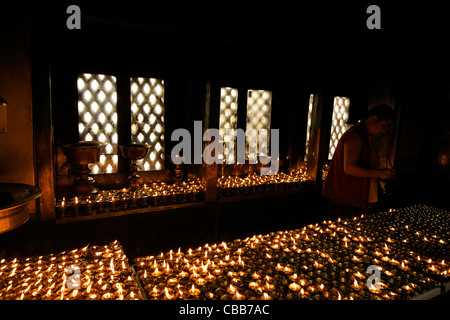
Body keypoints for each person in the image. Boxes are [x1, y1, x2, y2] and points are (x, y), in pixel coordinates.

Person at [322, 104, 396, 220]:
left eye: (388, 128)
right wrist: (379, 173)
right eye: (384, 126)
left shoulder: (366, 137)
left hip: (355, 197)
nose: (385, 131)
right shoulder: (354, 137)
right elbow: (350, 168)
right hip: (348, 198)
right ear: (373, 119)